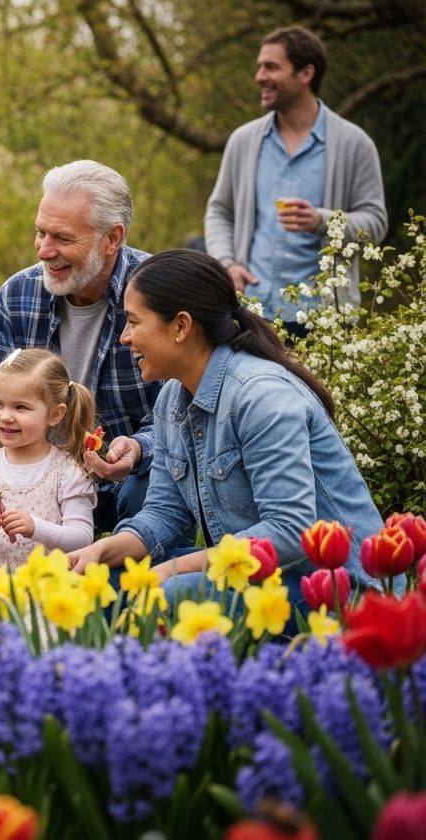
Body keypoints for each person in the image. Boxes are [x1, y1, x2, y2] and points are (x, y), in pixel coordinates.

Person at [66, 249, 383, 603]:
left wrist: (177, 567)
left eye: (134, 322)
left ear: (181, 326)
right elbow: (163, 514)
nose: (125, 337)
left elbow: (291, 532)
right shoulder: (173, 397)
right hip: (250, 575)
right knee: (99, 584)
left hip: (329, 588)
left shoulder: (261, 397)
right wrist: (101, 552)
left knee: (168, 596)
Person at [0, 160, 158, 550]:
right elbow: (1, 402)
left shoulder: (155, 292)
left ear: (112, 238)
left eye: (61, 237)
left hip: (123, 477)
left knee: (145, 493)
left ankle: (120, 592)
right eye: (40, 232)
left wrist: (141, 446)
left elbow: (184, 412)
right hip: (42, 476)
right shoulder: (18, 295)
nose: (44, 250)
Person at [204, 26, 387, 335]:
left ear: (306, 74)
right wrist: (226, 263)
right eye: (259, 66)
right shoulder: (244, 141)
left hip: (324, 324)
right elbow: (220, 211)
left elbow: (376, 224)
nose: (259, 76)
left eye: (271, 67)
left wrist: (323, 220)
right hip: (251, 315)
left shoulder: (355, 144)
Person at [0, 348, 97, 565]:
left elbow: (82, 539)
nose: (6, 416)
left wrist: (36, 528)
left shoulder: (67, 471)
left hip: (49, 590)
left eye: (20, 407)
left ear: (55, 414)